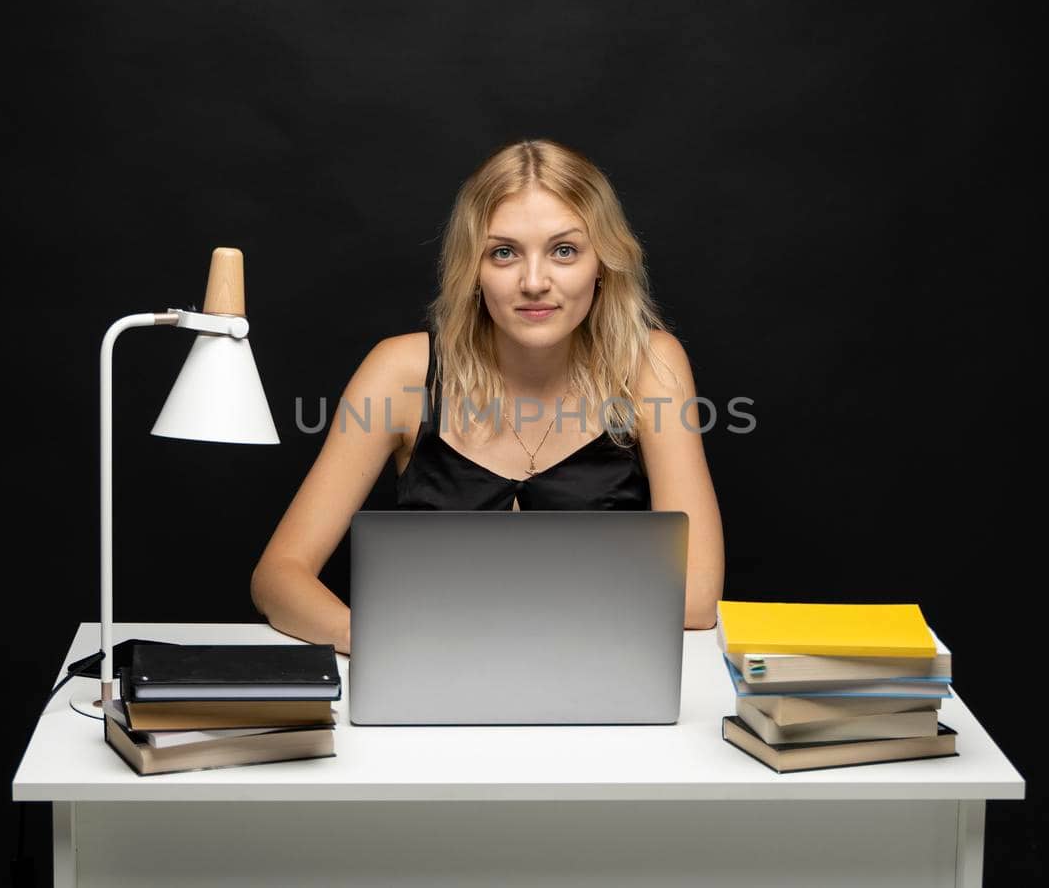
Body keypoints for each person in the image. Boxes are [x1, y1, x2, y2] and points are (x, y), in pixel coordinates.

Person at [250, 139, 725, 654]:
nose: (535, 281)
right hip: (427, 670)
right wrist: (370, 637)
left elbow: (698, 598)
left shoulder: (650, 365)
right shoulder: (401, 372)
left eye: (564, 251)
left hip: (595, 676)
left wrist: (514, 631)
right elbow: (278, 577)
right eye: (504, 253)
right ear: (472, 271)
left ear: (603, 265)